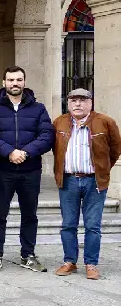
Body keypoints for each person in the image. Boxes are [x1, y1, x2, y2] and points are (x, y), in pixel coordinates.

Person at [0, 66, 55, 273]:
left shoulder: (38, 108)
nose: (15, 83)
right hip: (1, 170)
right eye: (11, 80)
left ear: (24, 82)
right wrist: (9, 153)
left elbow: (47, 136)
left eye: (19, 80)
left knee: (30, 214)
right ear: (3, 82)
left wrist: (25, 152)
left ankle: (28, 255)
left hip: (30, 169)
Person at [52, 88, 121, 280]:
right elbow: (54, 148)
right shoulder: (60, 122)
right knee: (68, 224)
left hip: (94, 181)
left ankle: (91, 264)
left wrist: (102, 169)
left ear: (90, 103)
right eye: (73, 100)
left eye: (82, 100)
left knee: (92, 225)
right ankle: (69, 262)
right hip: (68, 180)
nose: (78, 104)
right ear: (68, 103)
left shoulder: (105, 122)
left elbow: (115, 149)